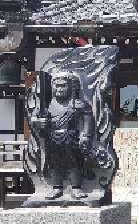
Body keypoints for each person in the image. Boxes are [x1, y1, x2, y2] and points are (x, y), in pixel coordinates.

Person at [30, 70, 94, 200]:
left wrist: (85, 135)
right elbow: (33, 118)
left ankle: (76, 187)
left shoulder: (77, 104)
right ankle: (56, 187)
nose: (59, 89)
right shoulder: (46, 104)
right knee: (54, 163)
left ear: (71, 86)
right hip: (52, 138)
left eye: (63, 85)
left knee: (74, 163)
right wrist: (38, 121)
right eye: (57, 86)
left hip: (71, 137)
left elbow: (88, 118)